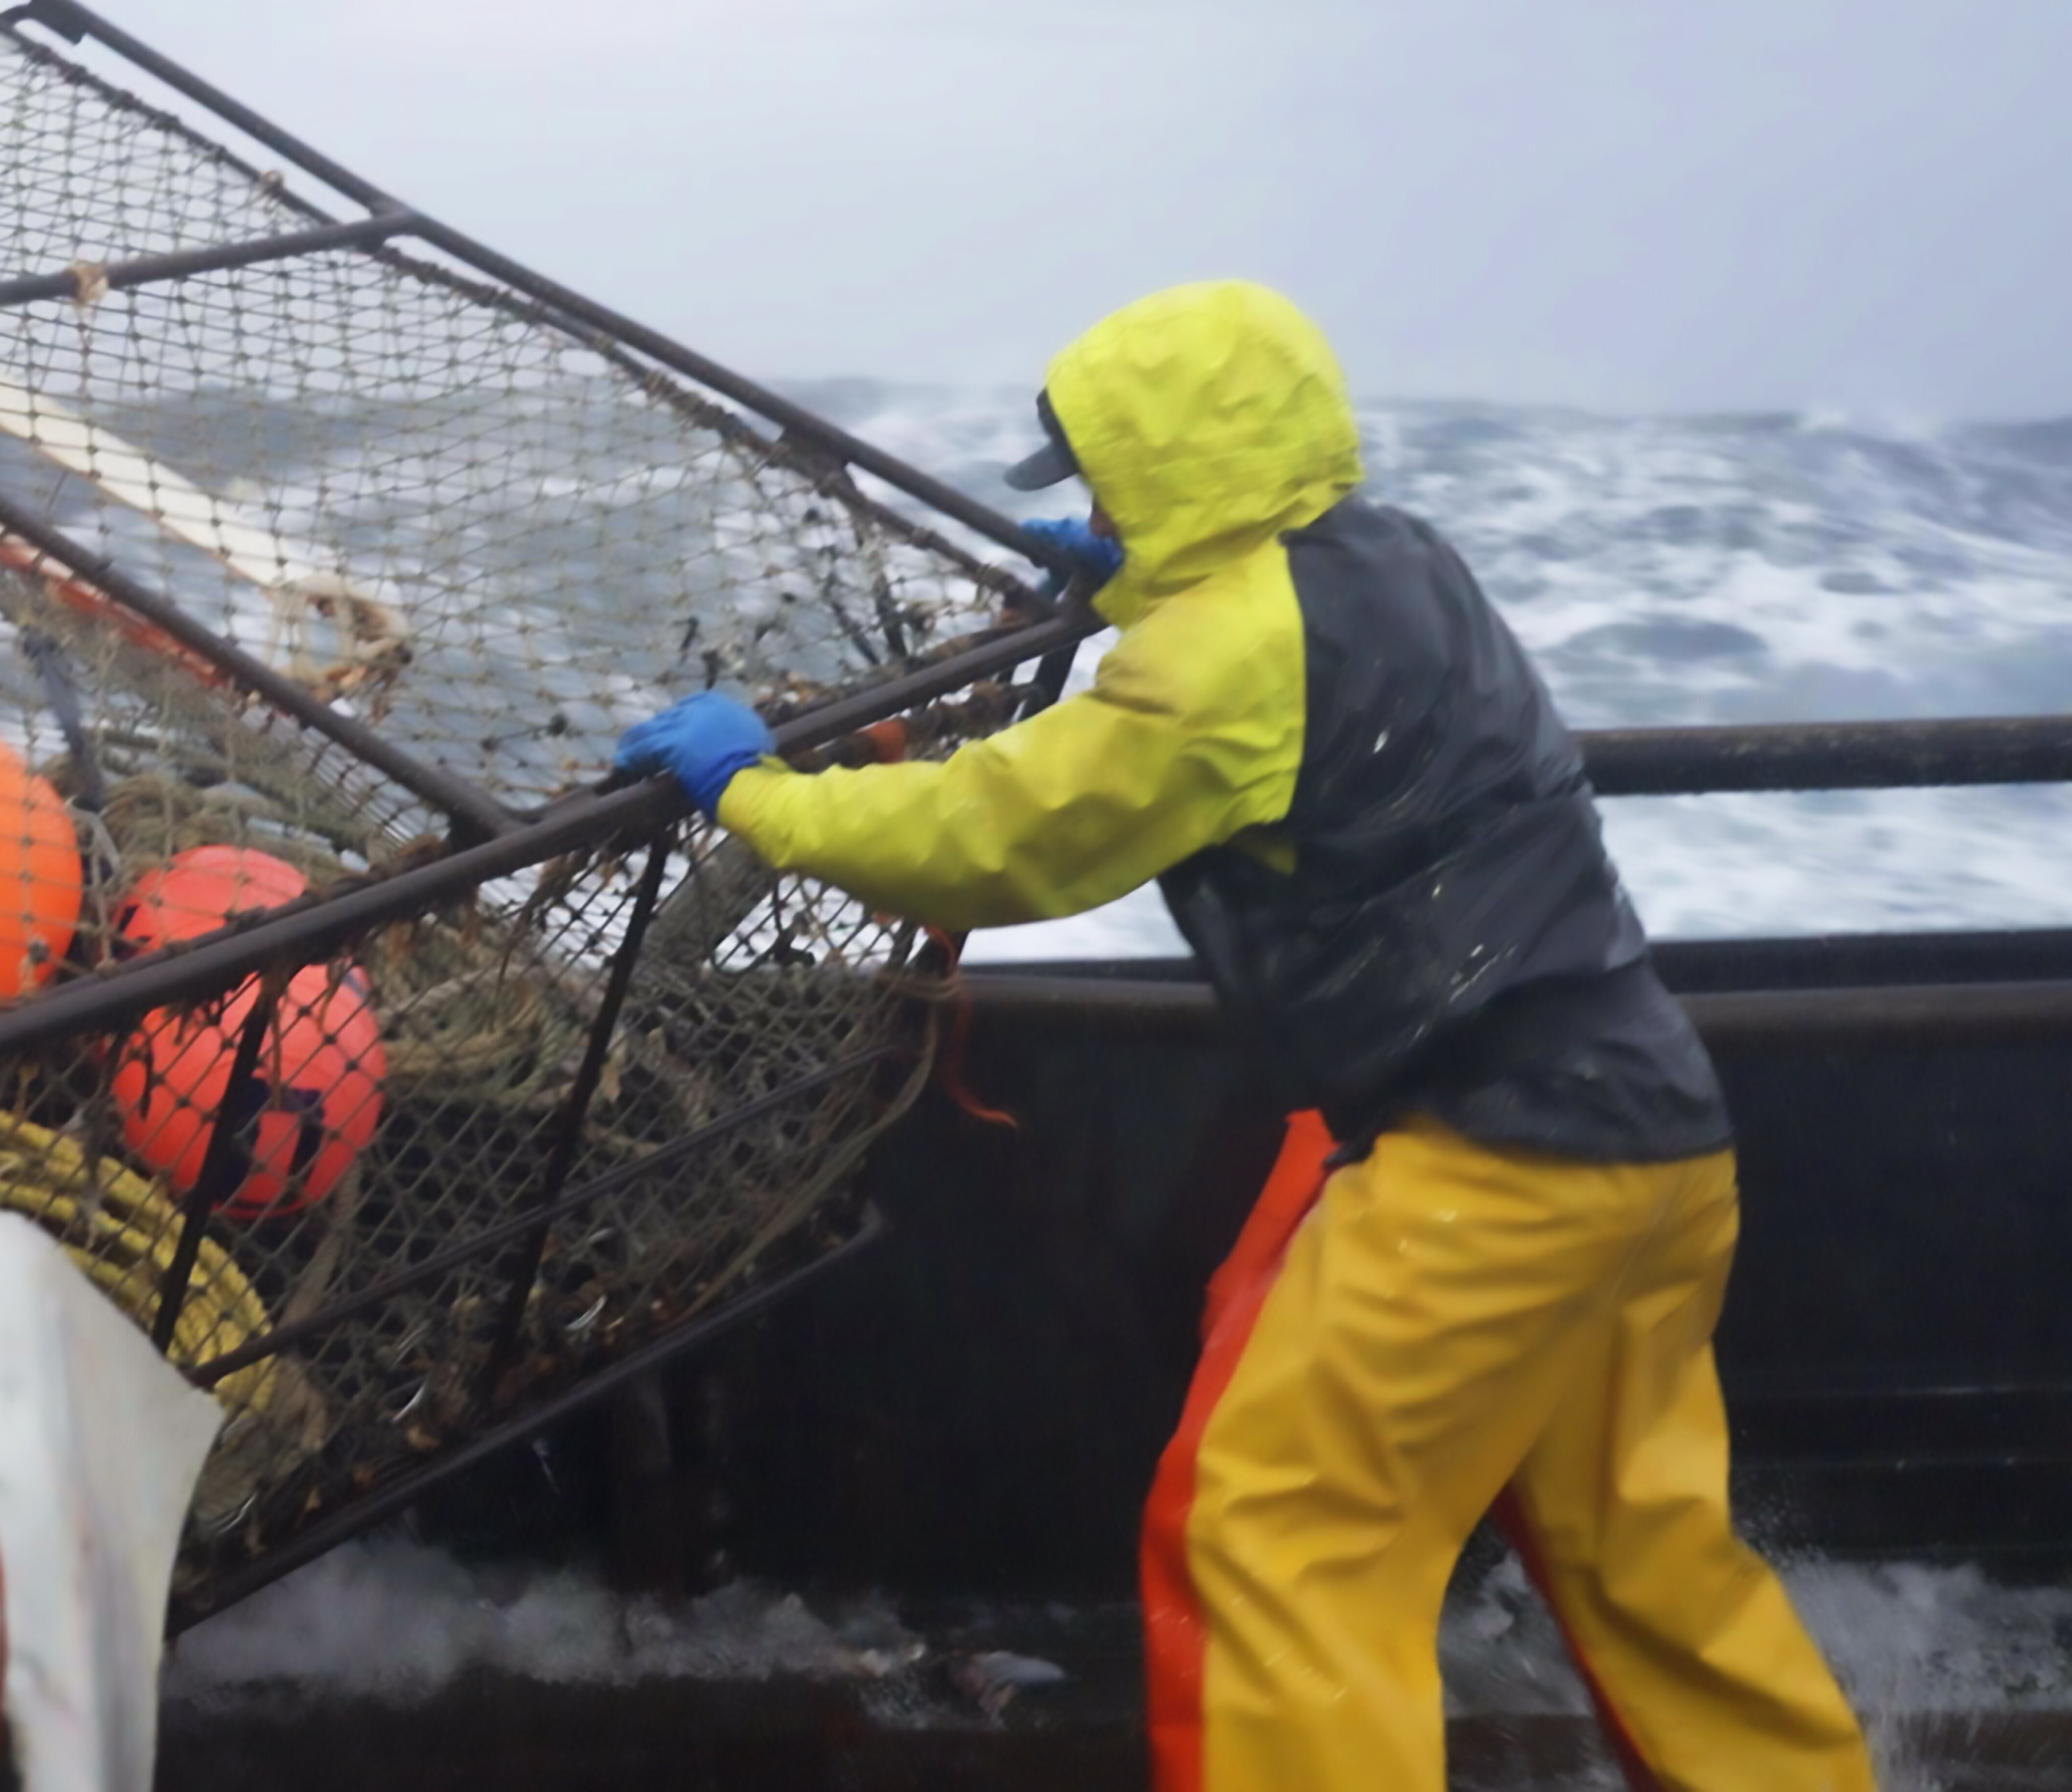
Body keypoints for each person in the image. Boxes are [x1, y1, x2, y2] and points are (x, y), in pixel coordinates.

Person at [617, 281, 1873, 1792]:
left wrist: (758, 792)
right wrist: (1138, 584)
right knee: (1646, 1554)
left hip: (1491, 1172)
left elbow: (1003, 832)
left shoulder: (1220, 659)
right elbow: (1268, 667)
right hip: (1658, 1137)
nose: (1094, 506)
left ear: (1167, 472)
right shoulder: (1405, 562)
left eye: (1109, 485)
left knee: (1283, 1535)